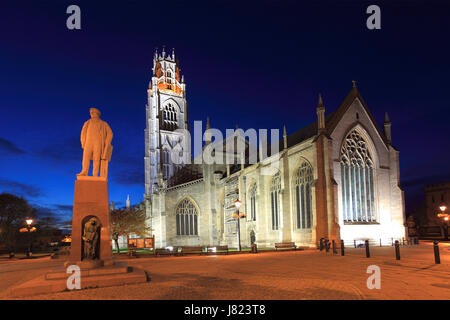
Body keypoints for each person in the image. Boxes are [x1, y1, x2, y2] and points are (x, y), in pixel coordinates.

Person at [78, 108, 113, 178]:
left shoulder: (103, 123)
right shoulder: (87, 122)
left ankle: (95, 174)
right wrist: (83, 142)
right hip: (88, 142)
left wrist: (107, 143)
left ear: (97, 114)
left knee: (96, 158)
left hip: (98, 142)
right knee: (85, 157)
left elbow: (110, 133)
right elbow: (83, 133)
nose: (92, 115)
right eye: (91, 113)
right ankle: (84, 171)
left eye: (93, 113)